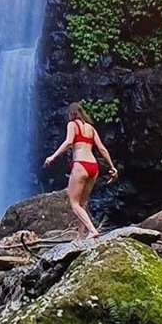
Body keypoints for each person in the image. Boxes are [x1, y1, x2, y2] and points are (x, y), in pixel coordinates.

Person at [43, 102, 118, 238]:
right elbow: (102, 149)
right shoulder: (91, 129)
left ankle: (92, 230)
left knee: (74, 203)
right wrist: (112, 167)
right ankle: (80, 237)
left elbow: (68, 142)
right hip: (93, 167)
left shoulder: (72, 125)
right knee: (82, 204)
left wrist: (52, 157)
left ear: (71, 114)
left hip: (80, 165)